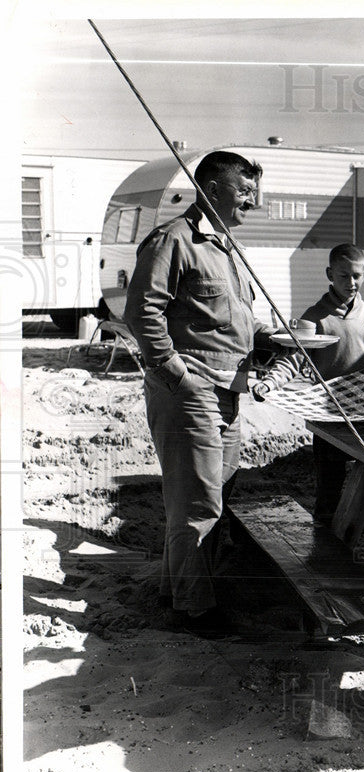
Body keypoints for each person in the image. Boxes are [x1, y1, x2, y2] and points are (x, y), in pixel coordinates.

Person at [124, 150, 278, 637]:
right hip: (191, 391)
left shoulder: (227, 247)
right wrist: (176, 372)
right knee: (198, 503)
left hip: (229, 390)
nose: (252, 202)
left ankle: (180, 591)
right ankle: (197, 612)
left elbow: (229, 317)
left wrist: (268, 336)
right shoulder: (174, 240)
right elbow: (142, 312)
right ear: (211, 190)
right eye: (244, 191)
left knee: (208, 496)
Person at [252, 243, 364, 523]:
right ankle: (323, 540)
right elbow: (293, 359)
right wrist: (270, 383)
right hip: (328, 414)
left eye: (358, 276)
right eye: (344, 276)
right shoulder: (314, 318)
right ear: (329, 274)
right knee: (330, 482)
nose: (352, 282)